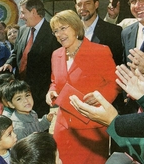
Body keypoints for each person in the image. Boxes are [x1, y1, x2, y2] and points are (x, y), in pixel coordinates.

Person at [45, 10, 118, 163]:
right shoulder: (56, 54)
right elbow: (55, 81)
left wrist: (99, 97)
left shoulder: (99, 51)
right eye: (56, 31)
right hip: (63, 127)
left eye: (63, 28)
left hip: (91, 128)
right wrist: (51, 92)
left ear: (75, 27)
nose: (59, 34)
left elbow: (114, 84)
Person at [0, 0, 61, 118]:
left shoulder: (52, 33)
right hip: (20, 91)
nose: (21, 16)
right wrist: (9, 62)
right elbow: (16, 52)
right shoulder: (23, 30)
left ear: (33, 12)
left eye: (23, 12)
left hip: (41, 95)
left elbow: (56, 65)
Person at [73, 0, 123, 66]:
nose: (83, 7)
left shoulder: (113, 32)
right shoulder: (71, 33)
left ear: (96, 4)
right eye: (79, 4)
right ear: (76, 7)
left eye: (87, 3)